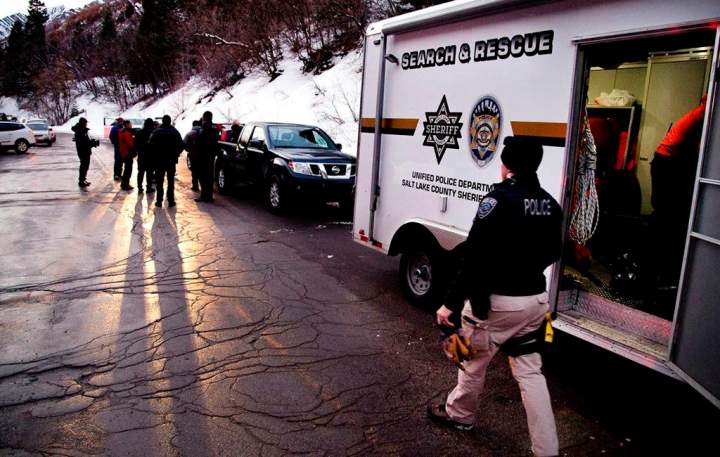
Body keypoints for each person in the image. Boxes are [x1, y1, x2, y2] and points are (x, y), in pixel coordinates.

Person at [427, 136, 563, 457]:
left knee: (471, 360)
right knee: (530, 372)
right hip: (535, 303)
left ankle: (460, 414)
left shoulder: (497, 200)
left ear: (507, 165)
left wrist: (450, 303)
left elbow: (473, 256)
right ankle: (547, 450)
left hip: (496, 305)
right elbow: (554, 252)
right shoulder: (549, 203)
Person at [650, 95, 707, 288]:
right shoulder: (705, 113)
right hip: (669, 162)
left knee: (665, 212)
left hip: (665, 160)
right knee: (668, 214)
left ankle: (658, 260)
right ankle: (659, 264)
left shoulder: (699, 113)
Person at [149, 115, 184, 207]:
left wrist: (154, 155)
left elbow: (150, 145)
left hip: (159, 160)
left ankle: (159, 201)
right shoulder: (175, 132)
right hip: (171, 160)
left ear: (162, 121)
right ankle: (171, 200)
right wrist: (176, 153)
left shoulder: (156, 132)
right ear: (170, 121)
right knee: (170, 181)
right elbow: (181, 145)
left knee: (159, 181)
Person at [196, 111, 220, 203]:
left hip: (203, 155)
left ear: (204, 118)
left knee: (202, 176)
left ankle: (204, 195)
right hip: (211, 155)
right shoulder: (215, 128)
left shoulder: (204, 128)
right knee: (209, 176)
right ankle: (209, 196)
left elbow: (200, 141)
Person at [134, 118, 156, 193]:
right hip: (151, 156)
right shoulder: (153, 133)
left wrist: (139, 150)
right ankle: (148, 187)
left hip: (141, 155)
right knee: (149, 173)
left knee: (140, 172)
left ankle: (140, 187)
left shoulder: (139, 132)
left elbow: (135, 144)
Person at [71, 117, 93, 187]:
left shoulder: (82, 130)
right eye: (85, 123)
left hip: (85, 151)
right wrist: (91, 143)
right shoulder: (80, 131)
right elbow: (83, 142)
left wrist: (91, 142)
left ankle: (83, 179)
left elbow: (84, 141)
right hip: (83, 151)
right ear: (83, 123)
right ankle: (81, 181)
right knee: (84, 166)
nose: (86, 124)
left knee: (85, 166)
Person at [184, 120, 203, 191]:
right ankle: (204, 188)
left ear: (193, 125)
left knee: (194, 170)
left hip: (193, 155)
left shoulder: (189, 134)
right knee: (202, 171)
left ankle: (195, 186)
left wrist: (189, 150)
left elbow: (184, 143)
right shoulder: (203, 132)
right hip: (203, 155)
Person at [118, 120, 135, 190]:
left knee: (126, 169)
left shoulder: (121, 131)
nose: (131, 125)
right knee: (128, 170)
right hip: (128, 153)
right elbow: (130, 144)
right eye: (130, 124)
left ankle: (124, 183)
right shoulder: (126, 133)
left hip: (123, 152)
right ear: (127, 124)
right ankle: (125, 184)